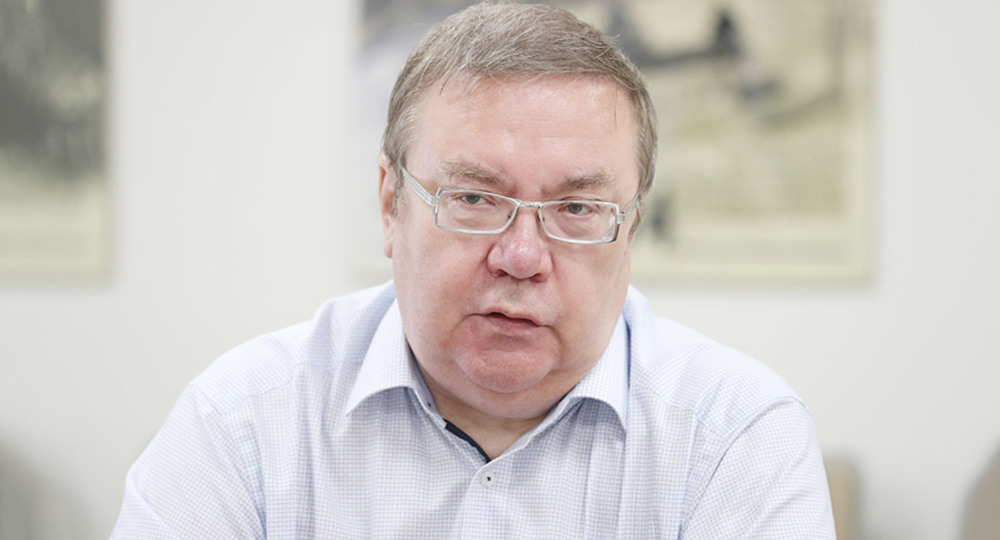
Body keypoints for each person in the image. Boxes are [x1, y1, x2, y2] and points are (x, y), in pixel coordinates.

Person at [112, 2, 835, 537]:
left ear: (631, 231)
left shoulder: (735, 437)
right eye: (474, 199)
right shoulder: (245, 425)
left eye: (577, 209)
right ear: (391, 204)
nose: (521, 257)